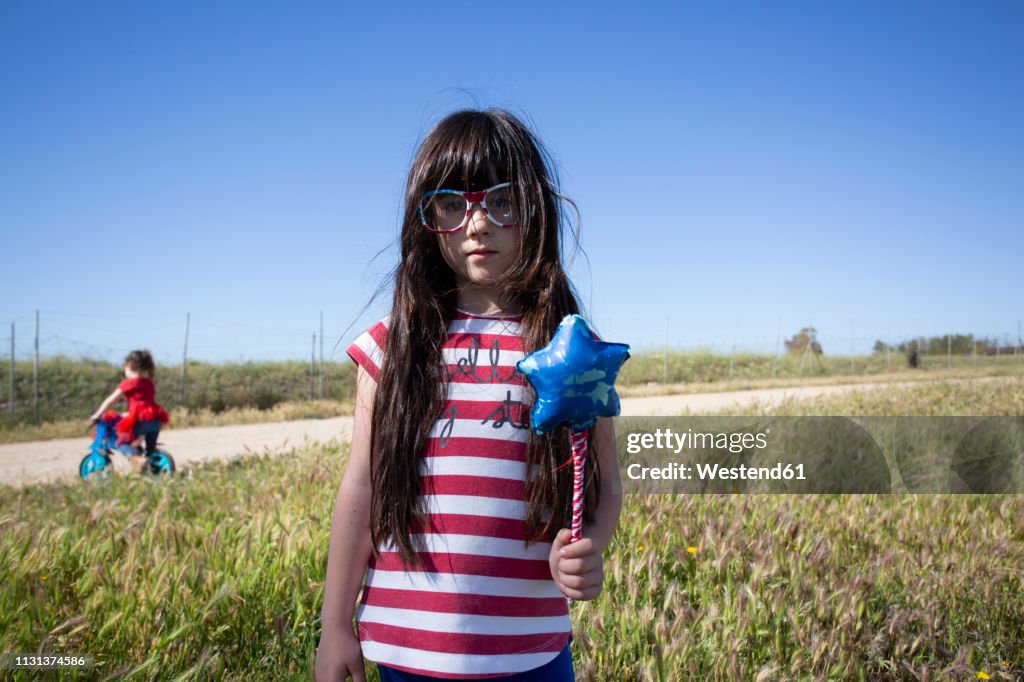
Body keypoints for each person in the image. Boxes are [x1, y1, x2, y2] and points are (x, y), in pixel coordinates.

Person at [315, 109, 622, 682]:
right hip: (407, 649)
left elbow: (604, 481)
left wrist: (589, 547)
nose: (476, 224)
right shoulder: (393, 347)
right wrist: (335, 627)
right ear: (425, 216)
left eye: (502, 201)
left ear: (535, 208)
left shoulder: (570, 349)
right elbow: (361, 483)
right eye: (452, 204)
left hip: (530, 649)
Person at [89, 349, 170, 474]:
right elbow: (144, 404)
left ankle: (135, 459)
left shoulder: (128, 383)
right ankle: (152, 464)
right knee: (150, 450)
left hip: (139, 421)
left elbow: (111, 400)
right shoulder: (149, 383)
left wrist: (98, 414)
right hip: (155, 420)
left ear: (129, 366)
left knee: (119, 442)